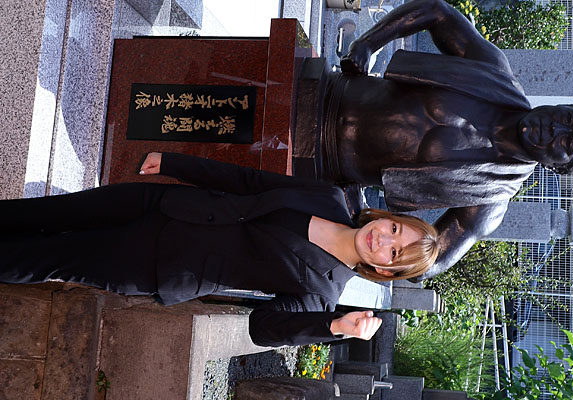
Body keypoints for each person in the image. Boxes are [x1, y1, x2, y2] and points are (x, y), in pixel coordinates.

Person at [0, 152, 439, 347]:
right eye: (394, 229)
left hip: (157, 264)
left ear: (385, 271)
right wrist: (175, 164)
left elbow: (263, 328)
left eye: (394, 253)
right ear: (387, 217)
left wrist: (337, 327)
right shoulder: (329, 198)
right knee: (52, 211)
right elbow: (250, 182)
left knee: (46, 258)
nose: (384, 239)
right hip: (165, 205)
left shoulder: (320, 294)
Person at [319, 0, 573, 278]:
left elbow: (430, 264)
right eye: (567, 118)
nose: (555, 129)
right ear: (562, 105)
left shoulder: (489, 203)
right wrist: (367, 44)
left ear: (559, 167)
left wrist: (364, 218)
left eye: (568, 142)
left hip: (322, 164)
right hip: (328, 89)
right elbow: (436, 11)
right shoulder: (494, 72)